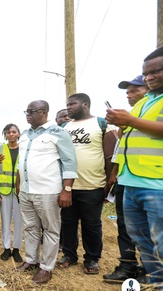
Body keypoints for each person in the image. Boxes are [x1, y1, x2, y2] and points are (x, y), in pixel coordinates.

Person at [106, 46, 163, 286]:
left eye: (154, 72)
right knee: (142, 241)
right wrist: (122, 122)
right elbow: (130, 135)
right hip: (131, 182)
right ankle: (155, 280)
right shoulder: (145, 102)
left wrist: (129, 120)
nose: (148, 77)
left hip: (156, 184)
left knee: (160, 242)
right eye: (145, 73)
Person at [16, 100, 77, 284]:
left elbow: (70, 162)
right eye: (26, 110)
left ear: (44, 112)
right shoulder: (25, 134)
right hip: (26, 190)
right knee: (30, 227)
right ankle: (31, 261)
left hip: (47, 191)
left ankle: (46, 268)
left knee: (50, 229)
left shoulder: (59, 133)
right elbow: (22, 162)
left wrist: (67, 190)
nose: (27, 114)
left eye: (31, 111)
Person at [58, 93, 116, 275]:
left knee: (91, 225)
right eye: (67, 105)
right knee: (68, 222)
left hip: (93, 185)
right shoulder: (65, 126)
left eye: (71, 104)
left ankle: (91, 258)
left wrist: (108, 182)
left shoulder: (101, 123)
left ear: (85, 104)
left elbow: (109, 156)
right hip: (68, 186)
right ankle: (69, 254)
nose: (68, 107)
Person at [103, 75, 149, 284]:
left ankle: (149, 269)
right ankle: (127, 266)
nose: (129, 95)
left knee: (150, 229)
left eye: (134, 91)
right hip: (126, 180)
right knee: (125, 226)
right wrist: (114, 173)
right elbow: (120, 149)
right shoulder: (128, 119)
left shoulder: (154, 113)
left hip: (151, 182)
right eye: (127, 92)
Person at [0, 123, 23, 262]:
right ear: (5, 135)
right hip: (3, 190)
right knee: (5, 220)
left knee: (18, 220)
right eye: (8, 132)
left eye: (13, 132)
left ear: (18, 133)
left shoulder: (23, 148)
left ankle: (16, 249)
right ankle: (6, 248)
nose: (11, 134)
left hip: (19, 191)